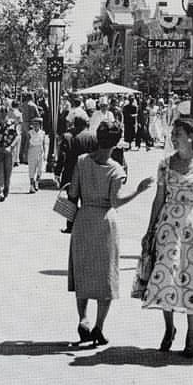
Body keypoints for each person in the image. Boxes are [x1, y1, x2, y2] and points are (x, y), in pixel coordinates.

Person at [141, 118, 193, 357]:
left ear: (191, 135)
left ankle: (191, 334)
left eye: (178, 133)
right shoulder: (165, 164)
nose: (173, 137)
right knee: (166, 275)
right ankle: (169, 328)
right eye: (172, 133)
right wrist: (150, 230)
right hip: (169, 226)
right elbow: (159, 198)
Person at [69, 122, 153, 346]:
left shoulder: (82, 161)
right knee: (106, 275)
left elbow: (73, 193)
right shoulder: (116, 169)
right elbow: (116, 201)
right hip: (105, 221)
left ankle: (83, 319)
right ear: (117, 142)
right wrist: (138, 190)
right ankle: (99, 326)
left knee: (83, 271)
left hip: (83, 218)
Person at [0, 106, 19, 202]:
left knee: (8, 173)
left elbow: (17, 137)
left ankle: (6, 191)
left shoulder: (13, 123)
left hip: (9, 151)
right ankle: (0, 192)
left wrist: (11, 147)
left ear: (4, 113)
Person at [27, 117, 47, 193]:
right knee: (32, 169)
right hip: (32, 151)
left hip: (40, 151)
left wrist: (45, 153)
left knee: (40, 169)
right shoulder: (30, 133)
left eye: (37, 124)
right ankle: (31, 185)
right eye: (34, 124)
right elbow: (27, 144)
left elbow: (44, 143)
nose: (35, 126)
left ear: (40, 125)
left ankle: (37, 182)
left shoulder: (43, 133)